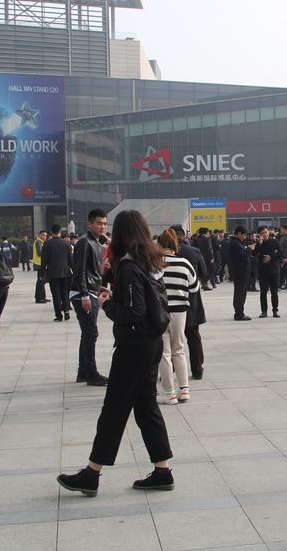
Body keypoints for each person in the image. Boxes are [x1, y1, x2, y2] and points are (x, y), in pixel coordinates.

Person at [57, 210, 174, 497]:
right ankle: (162, 471)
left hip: (134, 347)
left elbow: (134, 312)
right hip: (152, 342)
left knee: (114, 409)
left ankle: (91, 474)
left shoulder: (130, 266)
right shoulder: (150, 261)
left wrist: (107, 304)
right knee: (146, 407)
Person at [156, 228, 197, 405]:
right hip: (180, 311)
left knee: (164, 353)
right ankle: (184, 390)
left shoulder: (153, 263)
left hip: (159, 311)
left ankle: (169, 393)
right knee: (179, 350)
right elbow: (194, 287)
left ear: (159, 244)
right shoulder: (184, 263)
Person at [70, 209, 110, 386]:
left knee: (87, 333)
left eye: (105, 223)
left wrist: (98, 287)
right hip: (82, 294)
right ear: (90, 224)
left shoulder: (95, 242)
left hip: (91, 291)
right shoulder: (84, 242)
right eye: (99, 223)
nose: (102, 227)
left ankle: (83, 371)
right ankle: (91, 373)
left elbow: (91, 271)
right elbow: (79, 270)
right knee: (91, 333)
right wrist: (85, 294)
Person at [172, 225, 208, 380]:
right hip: (191, 298)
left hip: (171, 300)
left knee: (171, 338)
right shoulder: (194, 251)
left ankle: (170, 368)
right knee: (193, 336)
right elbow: (204, 273)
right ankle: (197, 369)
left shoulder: (162, 254)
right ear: (183, 235)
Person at [41, 224, 73, 322]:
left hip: (53, 273)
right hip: (65, 272)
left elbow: (44, 260)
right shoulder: (66, 244)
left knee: (56, 294)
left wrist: (42, 273)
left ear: (51, 232)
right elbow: (70, 259)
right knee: (65, 292)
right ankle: (66, 311)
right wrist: (74, 271)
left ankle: (59, 315)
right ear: (60, 231)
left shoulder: (47, 244)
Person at [228, 225, 255, 320]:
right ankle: (239, 314)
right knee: (240, 293)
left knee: (240, 293)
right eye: (244, 235)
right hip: (240, 273)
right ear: (239, 233)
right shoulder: (235, 243)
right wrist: (249, 249)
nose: (245, 237)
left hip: (242, 272)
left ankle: (239, 312)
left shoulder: (237, 243)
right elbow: (242, 256)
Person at [255, 226, 282, 318]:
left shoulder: (275, 242)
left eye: (266, 232)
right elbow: (254, 253)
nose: (265, 234)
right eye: (262, 233)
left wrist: (271, 256)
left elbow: (280, 253)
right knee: (263, 292)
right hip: (263, 271)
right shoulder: (258, 244)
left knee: (274, 292)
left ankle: (275, 310)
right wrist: (259, 243)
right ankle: (264, 311)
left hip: (274, 270)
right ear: (259, 234)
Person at [32, 230, 49, 303]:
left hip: (42, 264)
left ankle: (43, 297)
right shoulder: (38, 242)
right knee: (40, 282)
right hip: (40, 265)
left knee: (42, 282)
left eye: (46, 236)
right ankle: (38, 298)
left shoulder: (41, 242)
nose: (45, 237)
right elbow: (39, 253)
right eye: (43, 235)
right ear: (39, 235)